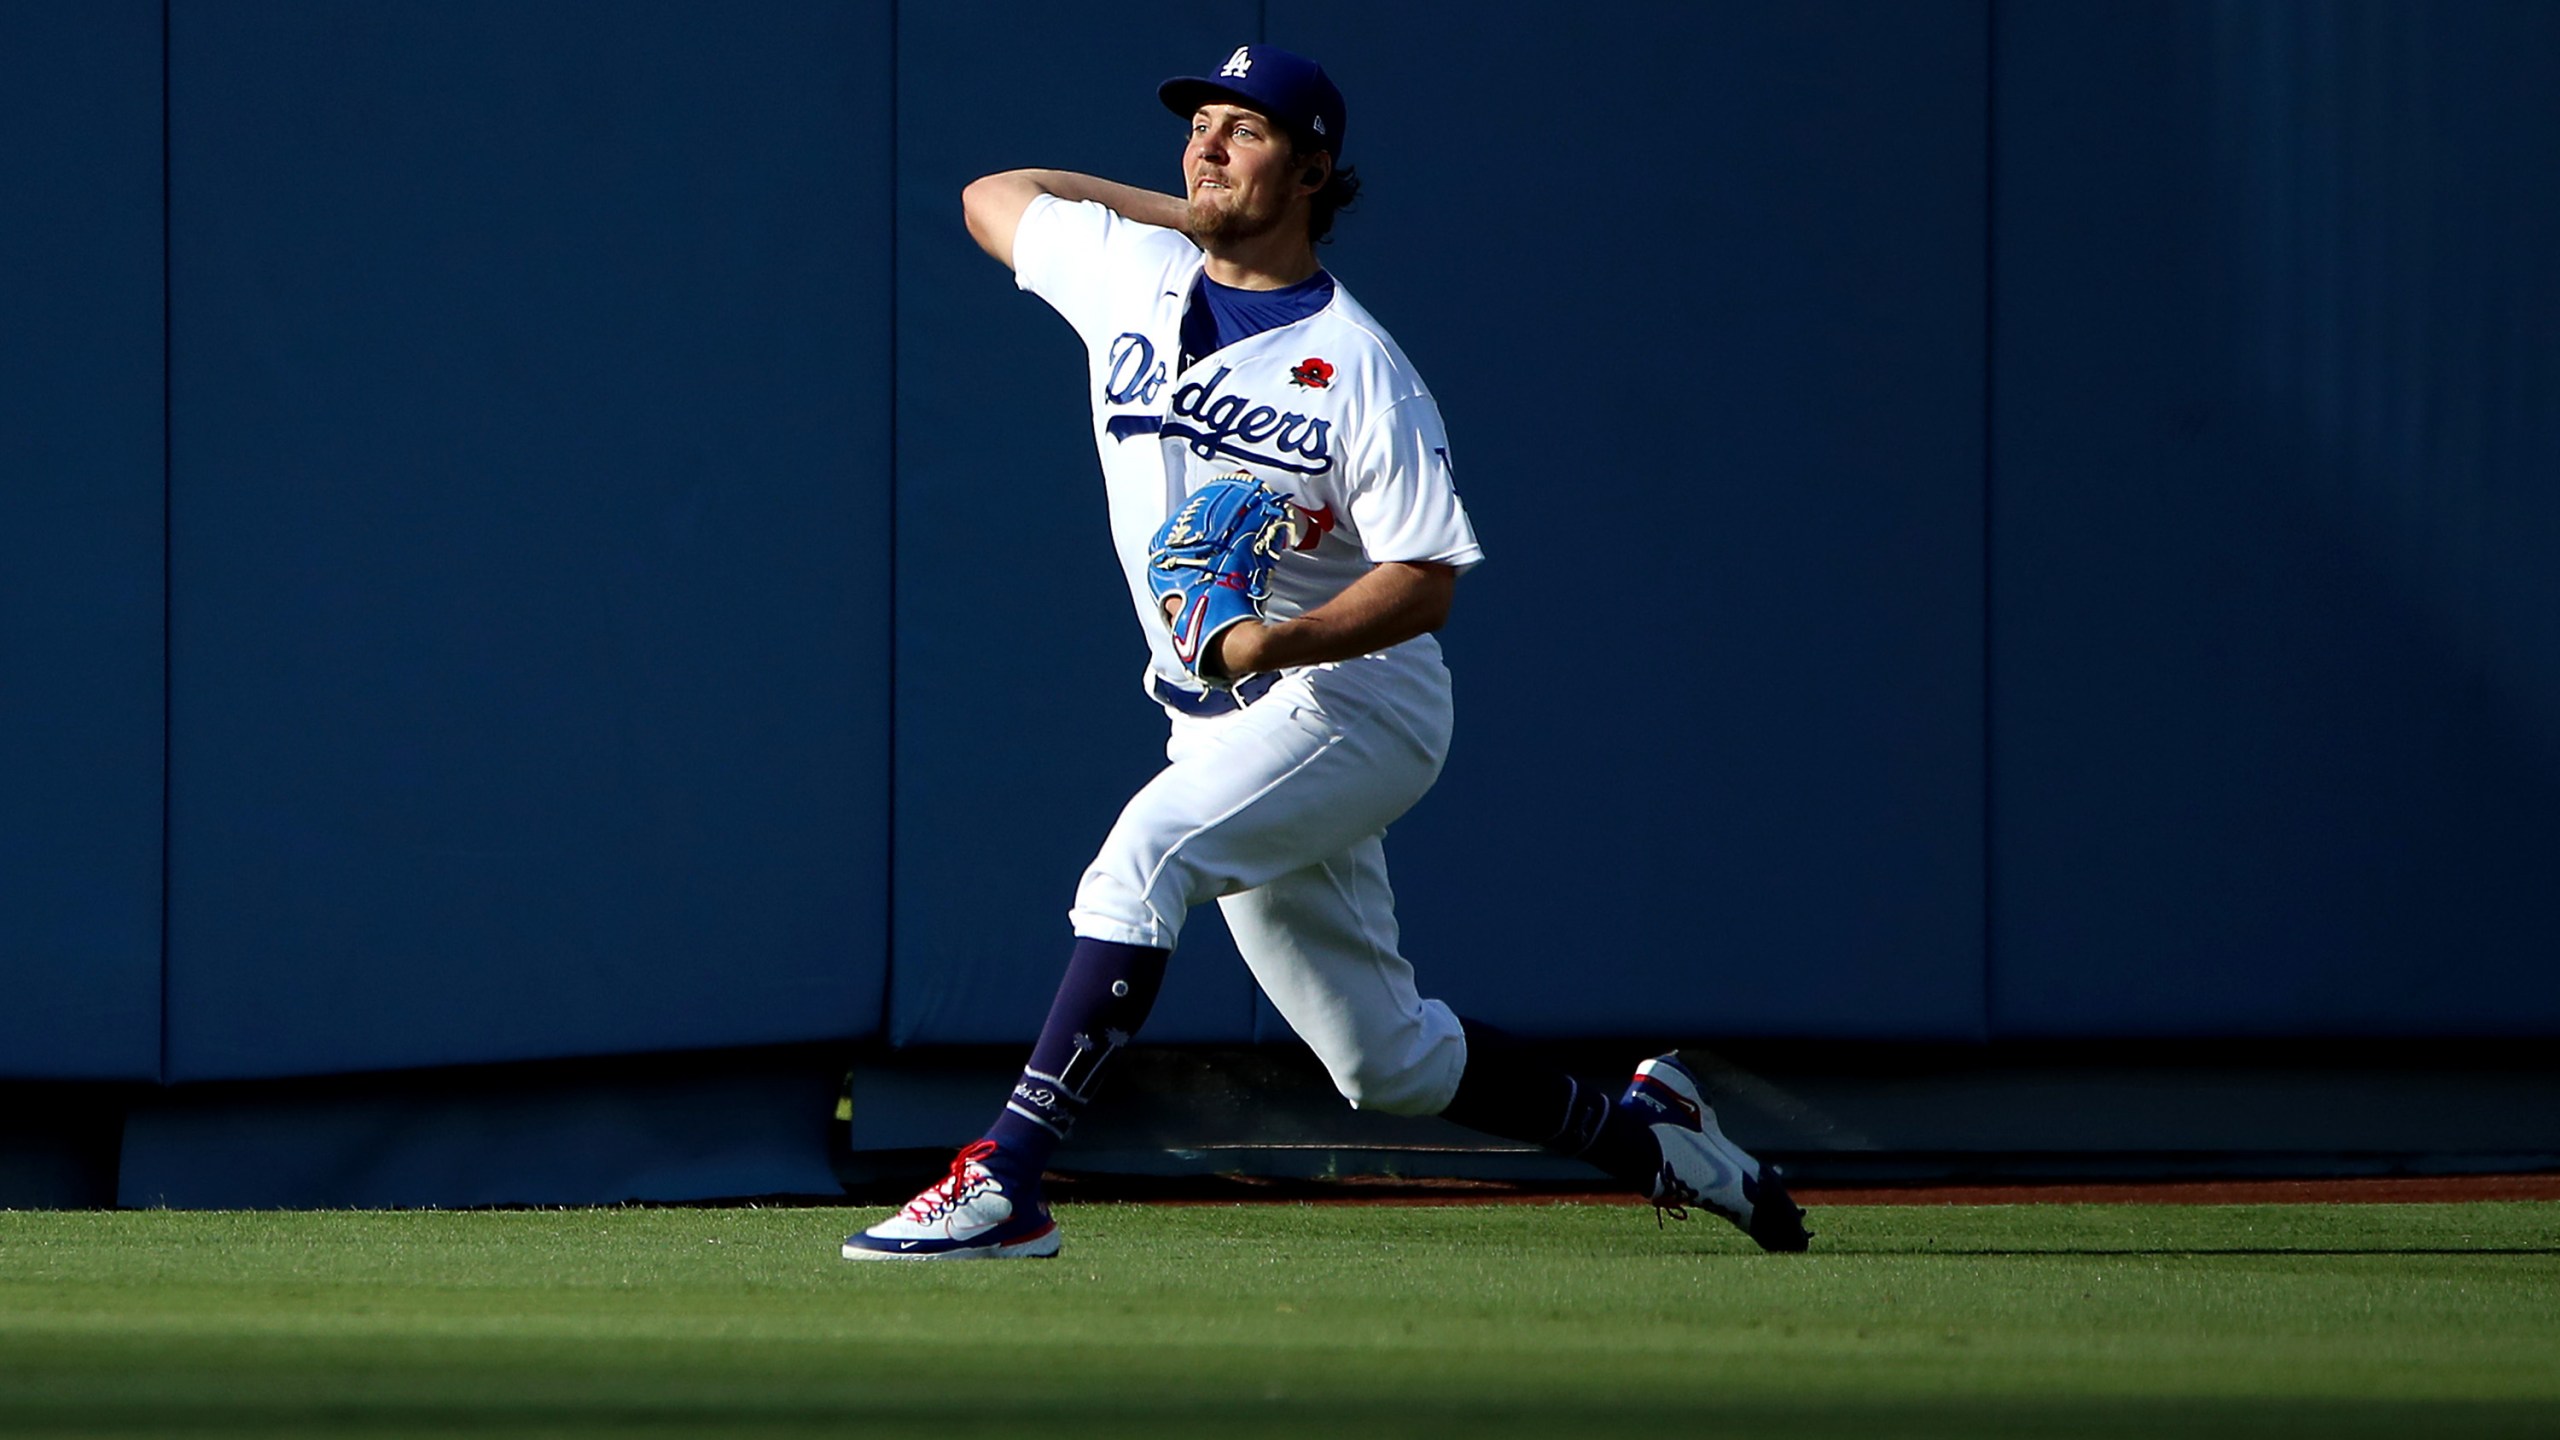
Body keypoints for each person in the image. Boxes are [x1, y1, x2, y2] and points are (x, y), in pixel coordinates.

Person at [843, 44, 1808, 1260]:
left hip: (1354, 703)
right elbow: (997, 191)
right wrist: (1179, 214)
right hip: (1221, 715)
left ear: (1312, 172)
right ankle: (1654, 1133)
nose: (1205, 142)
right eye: (1199, 124)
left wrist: (1278, 634)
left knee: (1143, 857)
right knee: (1381, 1060)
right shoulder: (1125, 272)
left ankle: (1005, 1175)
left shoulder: (1361, 368)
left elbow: (1426, 579)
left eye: (1242, 133)